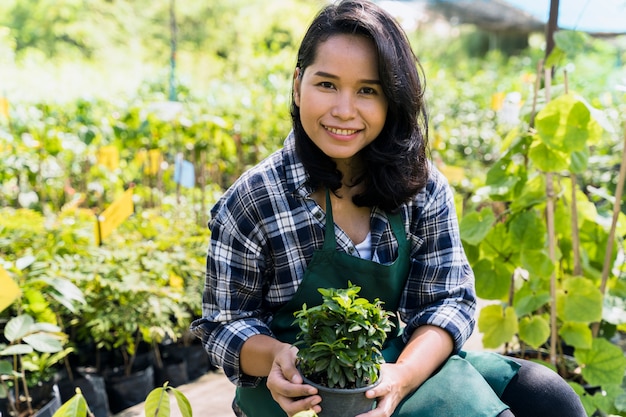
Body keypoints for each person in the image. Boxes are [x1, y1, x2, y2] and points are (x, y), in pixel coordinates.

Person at [190, 1, 586, 416]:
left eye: (367, 90)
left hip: (389, 365)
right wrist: (276, 357)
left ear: (392, 98)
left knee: (549, 398)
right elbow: (225, 322)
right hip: (290, 389)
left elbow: (446, 301)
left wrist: (401, 377)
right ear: (297, 84)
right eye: (326, 84)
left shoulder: (420, 187)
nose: (344, 110)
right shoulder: (254, 198)